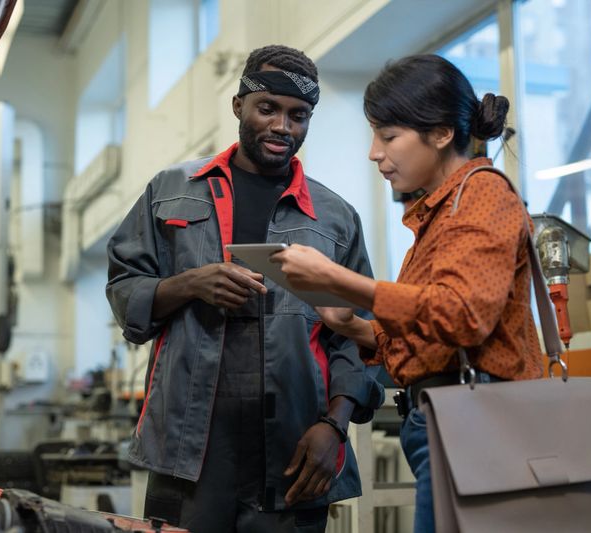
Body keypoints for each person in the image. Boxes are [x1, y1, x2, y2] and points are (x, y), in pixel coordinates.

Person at [106, 44, 384, 533]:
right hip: (189, 451)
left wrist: (334, 426)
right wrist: (190, 283)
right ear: (239, 106)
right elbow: (126, 288)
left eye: (298, 115)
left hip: (295, 450)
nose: (282, 126)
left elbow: (357, 337)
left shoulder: (335, 218)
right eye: (268, 108)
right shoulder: (171, 190)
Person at [270, 54, 544, 533]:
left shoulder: (482, 195)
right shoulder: (440, 213)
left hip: (475, 423)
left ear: (440, 134)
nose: (374, 152)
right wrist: (355, 326)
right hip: (446, 422)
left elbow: (463, 315)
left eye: (389, 136)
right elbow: (436, 332)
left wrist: (339, 279)